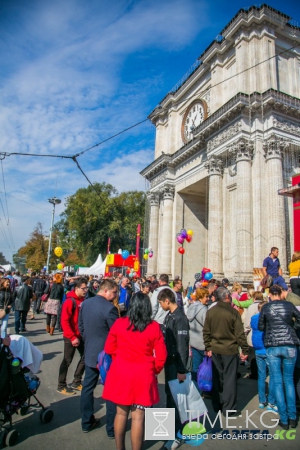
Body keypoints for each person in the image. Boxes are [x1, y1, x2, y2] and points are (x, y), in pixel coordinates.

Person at [102, 292, 167, 450]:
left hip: (122, 370)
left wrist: (120, 358)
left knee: (121, 413)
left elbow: (109, 348)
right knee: (138, 417)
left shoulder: (119, 323)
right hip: (143, 373)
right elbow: (161, 355)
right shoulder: (153, 327)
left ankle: (120, 448)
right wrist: (155, 370)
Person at [79, 279, 119, 435]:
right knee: (110, 390)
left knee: (88, 387)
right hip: (107, 355)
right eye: (114, 292)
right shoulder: (110, 309)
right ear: (106, 291)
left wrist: (88, 340)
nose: (116, 296)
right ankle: (111, 428)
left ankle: (86, 421)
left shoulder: (86, 303)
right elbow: (116, 333)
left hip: (90, 351)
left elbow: (81, 326)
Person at [258, 284, 300, 429]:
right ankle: (293, 417)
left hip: (273, 345)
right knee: (289, 381)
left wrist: (271, 328)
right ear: (280, 293)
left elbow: (261, 326)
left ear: (270, 294)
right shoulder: (289, 305)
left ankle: (283, 418)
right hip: (290, 344)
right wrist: (291, 329)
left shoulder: (266, 307)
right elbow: (299, 319)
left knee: (277, 381)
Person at [203, 287, 248, 416]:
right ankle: (229, 408)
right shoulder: (233, 313)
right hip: (229, 349)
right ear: (227, 296)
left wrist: (208, 347)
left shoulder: (211, 312)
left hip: (215, 348)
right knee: (230, 379)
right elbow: (240, 333)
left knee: (217, 377)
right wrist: (244, 349)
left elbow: (206, 331)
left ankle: (217, 404)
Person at [157, 288, 189, 449]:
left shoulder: (180, 318)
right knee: (170, 396)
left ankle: (177, 432)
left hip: (176, 363)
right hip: (169, 361)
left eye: (161, 303)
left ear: (167, 301)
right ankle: (168, 430)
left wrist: (182, 370)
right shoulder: (170, 315)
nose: (160, 305)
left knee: (176, 399)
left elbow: (182, 345)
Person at [57, 278, 87, 395]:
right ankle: (61, 385)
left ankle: (76, 380)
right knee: (67, 360)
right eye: (83, 288)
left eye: (86, 288)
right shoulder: (70, 302)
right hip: (71, 336)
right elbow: (64, 321)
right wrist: (72, 337)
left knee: (86, 356)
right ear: (77, 289)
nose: (85, 290)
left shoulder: (83, 301)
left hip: (81, 335)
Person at [251, 301, 277, 410]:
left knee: (261, 375)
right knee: (272, 375)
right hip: (267, 349)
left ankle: (262, 400)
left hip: (257, 349)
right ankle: (271, 401)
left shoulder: (254, 318)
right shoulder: (268, 319)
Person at [186, 288, 208, 383]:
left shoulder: (191, 307)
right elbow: (207, 325)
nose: (207, 298)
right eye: (206, 297)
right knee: (205, 367)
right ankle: (203, 388)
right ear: (200, 298)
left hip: (194, 340)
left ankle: (195, 387)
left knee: (195, 366)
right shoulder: (203, 309)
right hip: (202, 341)